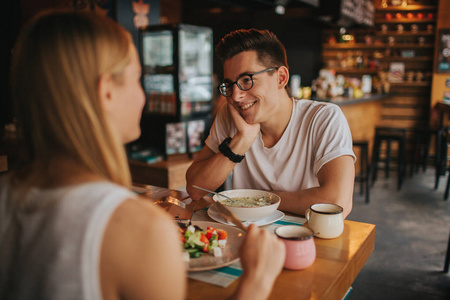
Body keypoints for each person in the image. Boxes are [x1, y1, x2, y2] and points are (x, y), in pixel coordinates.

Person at [0, 11, 285, 300]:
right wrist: (257, 282)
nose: (144, 96)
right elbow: (195, 185)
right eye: (138, 79)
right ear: (106, 92)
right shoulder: (142, 231)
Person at [186, 29, 355, 218]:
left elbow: (337, 202)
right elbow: (195, 189)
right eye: (230, 85)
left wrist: (257, 202)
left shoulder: (323, 118)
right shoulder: (231, 115)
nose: (235, 95)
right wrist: (240, 143)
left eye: (246, 80)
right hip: (244, 237)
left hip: (304, 239)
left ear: (281, 78)